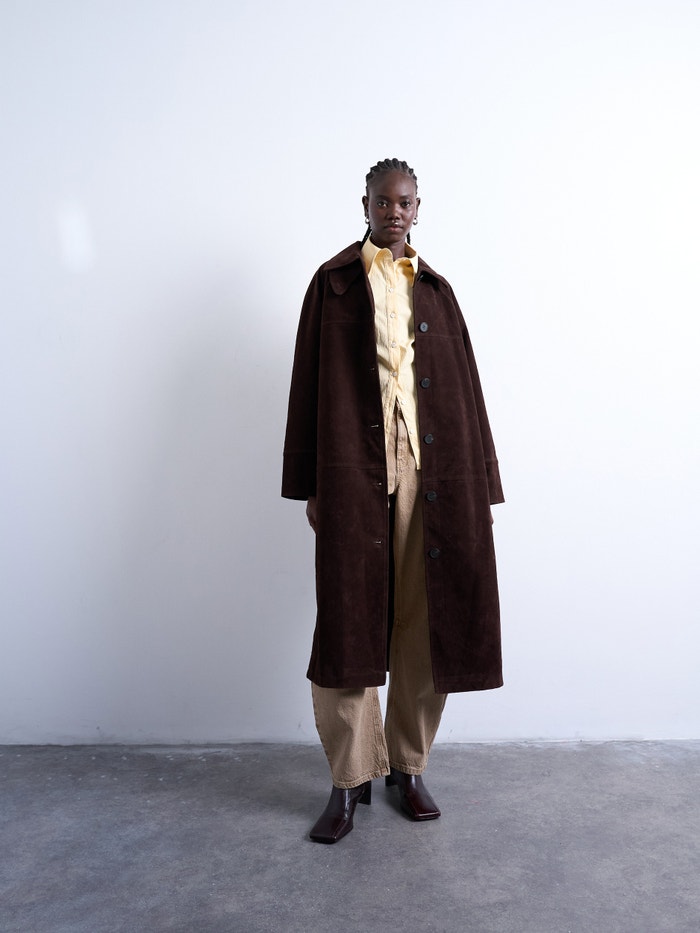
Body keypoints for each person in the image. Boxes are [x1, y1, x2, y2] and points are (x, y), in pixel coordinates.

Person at [282, 158, 504, 844]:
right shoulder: (334, 282)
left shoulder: (436, 289)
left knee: (426, 616)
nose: (395, 211)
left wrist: (482, 481)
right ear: (366, 205)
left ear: (418, 207)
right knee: (348, 619)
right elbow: (306, 383)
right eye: (383, 201)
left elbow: (466, 388)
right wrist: (309, 482)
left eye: (405, 202)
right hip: (353, 465)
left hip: (430, 467)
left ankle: (407, 767)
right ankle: (349, 778)